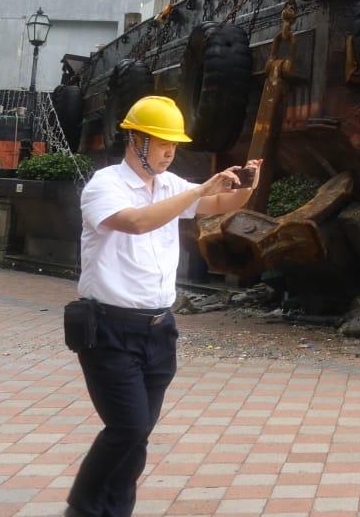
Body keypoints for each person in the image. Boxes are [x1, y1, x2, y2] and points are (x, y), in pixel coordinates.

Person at [65, 95, 260, 517]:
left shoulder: (171, 185)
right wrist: (200, 190)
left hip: (158, 331)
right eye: (161, 142)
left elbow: (218, 205)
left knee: (140, 433)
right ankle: (82, 507)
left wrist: (246, 189)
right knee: (128, 426)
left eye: (174, 144)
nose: (170, 152)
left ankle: (115, 510)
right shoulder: (106, 185)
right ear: (136, 140)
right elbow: (136, 222)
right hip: (108, 329)